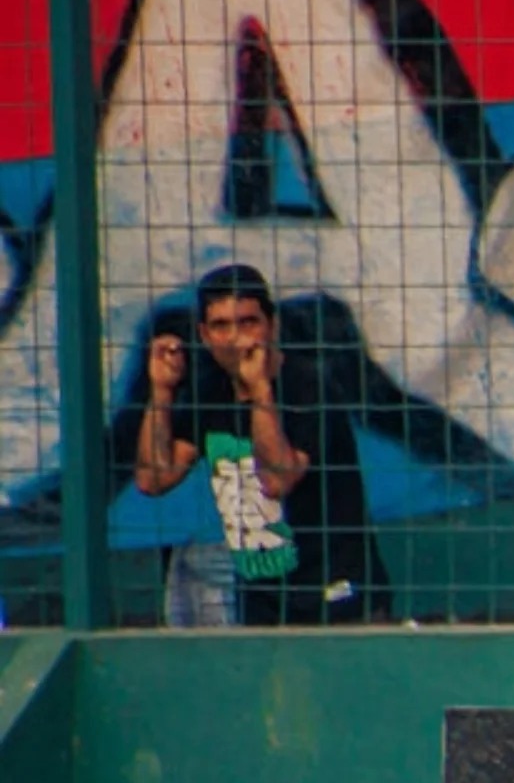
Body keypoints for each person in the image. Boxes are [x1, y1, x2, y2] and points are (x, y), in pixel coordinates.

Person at [134, 263, 390, 625]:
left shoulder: (308, 387)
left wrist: (259, 391)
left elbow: (276, 480)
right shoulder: (210, 393)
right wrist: (160, 391)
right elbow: (153, 480)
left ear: (272, 325)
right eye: (221, 326)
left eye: (248, 322)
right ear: (204, 335)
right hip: (263, 597)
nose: (236, 338)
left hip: (336, 592)